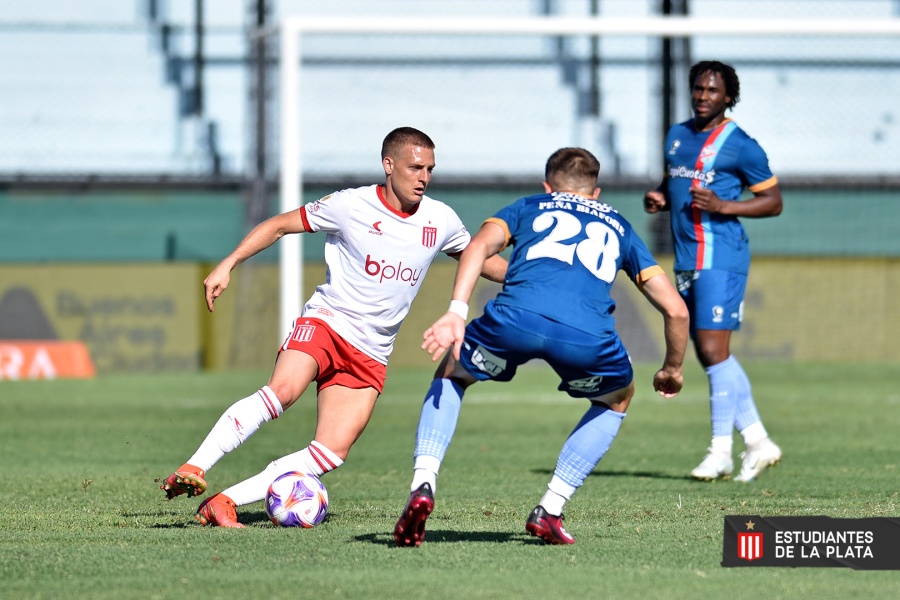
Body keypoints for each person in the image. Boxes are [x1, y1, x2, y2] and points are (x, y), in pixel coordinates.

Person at [160, 126, 507, 527]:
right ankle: (195, 466)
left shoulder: (440, 218)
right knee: (283, 392)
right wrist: (229, 263)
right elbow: (278, 225)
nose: (423, 177)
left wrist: (528, 277)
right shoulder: (350, 205)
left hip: (372, 349)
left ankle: (224, 501)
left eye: (430, 168)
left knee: (330, 452)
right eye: (415, 167)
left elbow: (480, 259)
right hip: (327, 321)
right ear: (388, 165)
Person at [393, 147, 689, 546]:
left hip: (515, 320)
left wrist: (456, 311)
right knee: (617, 398)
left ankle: (423, 484)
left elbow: (478, 247)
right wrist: (672, 368)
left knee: (453, 372)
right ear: (596, 193)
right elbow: (676, 311)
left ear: (548, 187)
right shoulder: (619, 227)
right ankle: (550, 509)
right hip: (585, 338)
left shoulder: (530, 205)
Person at [643, 60, 784, 483]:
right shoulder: (677, 135)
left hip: (721, 256)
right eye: (699, 89)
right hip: (686, 256)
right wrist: (659, 197)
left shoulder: (741, 145)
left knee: (712, 350)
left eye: (713, 90)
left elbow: (773, 201)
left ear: (729, 97)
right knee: (710, 353)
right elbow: (673, 182)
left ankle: (720, 450)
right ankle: (758, 442)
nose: (704, 96)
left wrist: (726, 206)